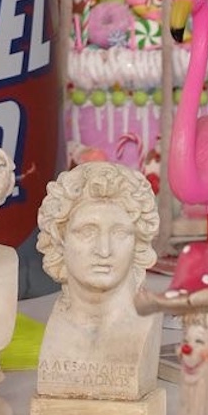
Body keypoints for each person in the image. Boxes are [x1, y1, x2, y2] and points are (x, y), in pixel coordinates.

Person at [35, 161, 161, 402]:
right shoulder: (57, 332)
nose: (104, 250)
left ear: (138, 241)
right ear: (59, 239)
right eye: (87, 232)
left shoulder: (144, 324)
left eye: (120, 233)